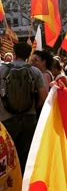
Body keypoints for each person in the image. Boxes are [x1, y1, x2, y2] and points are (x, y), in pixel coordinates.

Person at [0, 42, 47, 174]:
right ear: (28, 55)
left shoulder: (1, 69)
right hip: (29, 118)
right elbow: (44, 95)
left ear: (14, 53)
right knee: (27, 154)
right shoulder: (35, 71)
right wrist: (34, 106)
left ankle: (13, 184)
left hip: (6, 118)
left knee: (9, 155)